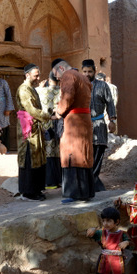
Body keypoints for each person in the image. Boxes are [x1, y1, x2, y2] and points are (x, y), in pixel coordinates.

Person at [52, 59, 94, 203]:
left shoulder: (68, 75)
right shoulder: (82, 77)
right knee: (84, 153)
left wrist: (58, 111)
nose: (58, 78)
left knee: (72, 154)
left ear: (61, 68)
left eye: (56, 75)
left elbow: (67, 97)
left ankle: (74, 194)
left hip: (74, 121)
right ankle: (86, 192)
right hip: (85, 119)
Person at [86, 207, 135, 274]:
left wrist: (126, 243)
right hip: (103, 262)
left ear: (117, 221)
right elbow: (91, 234)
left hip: (118, 263)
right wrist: (91, 230)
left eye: (109, 221)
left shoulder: (122, 234)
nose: (105, 223)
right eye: (103, 221)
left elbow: (132, 244)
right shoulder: (101, 233)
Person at [15, 63, 50, 201]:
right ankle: (28, 192)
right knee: (29, 157)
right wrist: (48, 116)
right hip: (28, 129)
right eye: (36, 75)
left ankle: (36, 189)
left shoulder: (32, 89)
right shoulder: (24, 90)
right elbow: (32, 110)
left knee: (38, 157)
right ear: (27, 75)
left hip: (35, 126)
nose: (38, 78)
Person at [81, 59, 116, 192]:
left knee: (99, 151)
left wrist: (112, 120)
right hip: (83, 126)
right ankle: (90, 182)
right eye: (84, 71)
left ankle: (93, 179)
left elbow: (110, 103)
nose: (87, 74)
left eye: (89, 71)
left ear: (94, 71)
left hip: (100, 124)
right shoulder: (78, 86)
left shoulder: (103, 86)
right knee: (86, 154)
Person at [35, 71, 62, 189]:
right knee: (59, 152)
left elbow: (34, 93)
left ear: (49, 80)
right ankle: (60, 180)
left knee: (49, 152)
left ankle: (50, 182)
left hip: (47, 125)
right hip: (60, 125)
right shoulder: (62, 92)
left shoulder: (42, 91)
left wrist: (40, 86)